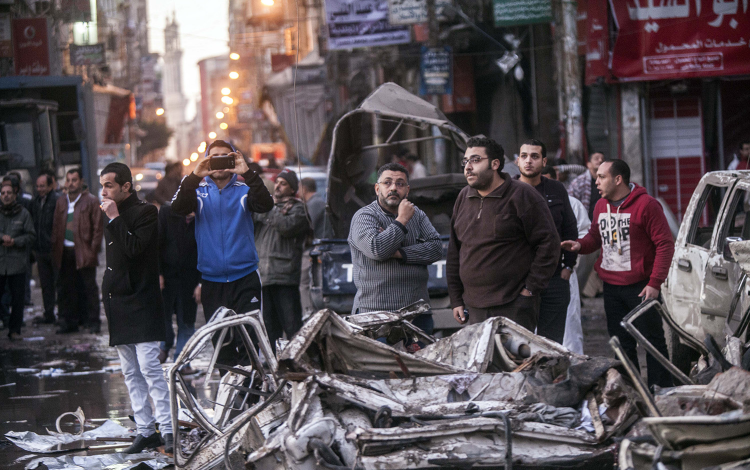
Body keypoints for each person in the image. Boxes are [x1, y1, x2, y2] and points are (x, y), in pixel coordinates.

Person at [561, 159, 674, 387]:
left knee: (652, 342)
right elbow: (595, 235)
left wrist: (655, 283)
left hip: (641, 287)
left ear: (618, 179)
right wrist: (580, 245)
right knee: (621, 344)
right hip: (611, 288)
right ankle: (630, 392)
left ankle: (660, 391)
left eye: (601, 177)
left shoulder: (647, 205)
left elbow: (665, 244)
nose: (596, 182)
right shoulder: (601, 206)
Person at [171, 140, 273, 365]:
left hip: (245, 278)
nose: (219, 162)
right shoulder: (197, 190)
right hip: (212, 282)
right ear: (207, 159)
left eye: (225, 157)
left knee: (249, 344)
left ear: (233, 158)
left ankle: (250, 397)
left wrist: (247, 171)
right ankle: (230, 399)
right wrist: (195, 176)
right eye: (213, 157)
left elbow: (266, 204)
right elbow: (177, 208)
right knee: (222, 348)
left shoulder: (244, 189)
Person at [447, 137, 560, 331]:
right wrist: (456, 298)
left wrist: (530, 289)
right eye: (465, 161)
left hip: (513, 305)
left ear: (495, 164)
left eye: (475, 160)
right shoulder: (464, 197)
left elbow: (549, 243)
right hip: (473, 308)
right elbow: (455, 251)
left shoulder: (522, 195)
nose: (468, 167)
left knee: (514, 361)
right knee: (479, 361)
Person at [99, 163, 172, 454]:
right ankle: (145, 430)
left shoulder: (145, 212)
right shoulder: (109, 213)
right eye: (102, 185)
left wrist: (115, 218)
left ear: (126, 187)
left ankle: (167, 429)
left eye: (109, 185)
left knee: (150, 369)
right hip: (117, 299)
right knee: (130, 372)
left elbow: (134, 250)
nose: (104, 191)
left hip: (141, 299)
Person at [349, 163, 442, 340]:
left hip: (417, 315)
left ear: (407, 190)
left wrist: (400, 253)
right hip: (375, 317)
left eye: (400, 184)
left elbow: (436, 248)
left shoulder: (418, 215)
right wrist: (402, 220)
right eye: (387, 183)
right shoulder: (364, 217)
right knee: (381, 368)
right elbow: (378, 249)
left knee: (419, 366)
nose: (393, 188)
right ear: (377, 188)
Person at [515, 139, 578, 344]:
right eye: (524, 156)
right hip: (518, 280)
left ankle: (552, 377)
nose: (529, 161)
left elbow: (570, 228)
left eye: (534, 156)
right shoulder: (509, 190)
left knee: (551, 345)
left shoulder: (556, 189)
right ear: (517, 161)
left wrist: (568, 266)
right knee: (518, 345)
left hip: (554, 278)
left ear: (543, 162)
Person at [254, 169, 309, 349]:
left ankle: (299, 362)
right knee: (269, 326)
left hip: (285, 276)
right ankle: (274, 364)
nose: (277, 185)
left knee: (292, 324)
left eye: (283, 183)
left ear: (293, 188)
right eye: (276, 182)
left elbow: (286, 226)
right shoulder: (267, 207)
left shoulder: (299, 209)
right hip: (264, 276)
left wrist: (268, 207)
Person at [540, 165, 591, 354]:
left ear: (557, 180)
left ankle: (574, 365)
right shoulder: (525, 200)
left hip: (564, 271)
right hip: (535, 275)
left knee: (569, 324)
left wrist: (569, 264)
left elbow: (584, 234)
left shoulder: (572, 203)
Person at [51, 168, 103, 334]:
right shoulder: (61, 201)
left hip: (83, 251)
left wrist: (93, 249)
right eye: (68, 180)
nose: (71, 183)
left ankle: (93, 321)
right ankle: (70, 322)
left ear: (81, 181)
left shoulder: (91, 201)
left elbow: (97, 228)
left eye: (74, 180)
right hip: (64, 251)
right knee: (67, 288)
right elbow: (56, 226)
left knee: (89, 288)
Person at [157, 203, 200, 365]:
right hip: (167, 277)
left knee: (187, 322)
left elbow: (206, 251)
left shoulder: (203, 217)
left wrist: (201, 284)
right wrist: (159, 273)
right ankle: (165, 345)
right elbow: (157, 244)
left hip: (190, 280)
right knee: (163, 318)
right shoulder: (168, 213)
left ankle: (181, 364)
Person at [0, 181, 35, 340]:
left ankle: (14, 330)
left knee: (18, 299)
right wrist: (2, 237)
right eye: (3, 193)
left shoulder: (23, 214)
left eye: (8, 193)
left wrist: (15, 241)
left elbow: (31, 236)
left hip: (17, 264)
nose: (5, 195)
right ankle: (4, 320)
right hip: (1, 263)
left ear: (15, 195)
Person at [31, 173, 59, 325]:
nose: (39, 189)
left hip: (53, 249)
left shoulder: (56, 200)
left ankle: (62, 314)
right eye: (38, 186)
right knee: (46, 285)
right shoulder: (36, 202)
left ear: (50, 186)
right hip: (41, 249)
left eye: (42, 186)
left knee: (58, 283)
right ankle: (49, 314)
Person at [299, 177, 326, 317]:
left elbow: (307, 225)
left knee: (306, 283)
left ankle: (309, 313)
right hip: (315, 248)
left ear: (304, 188)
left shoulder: (314, 203)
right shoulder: (317, 201)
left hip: (315, 249)